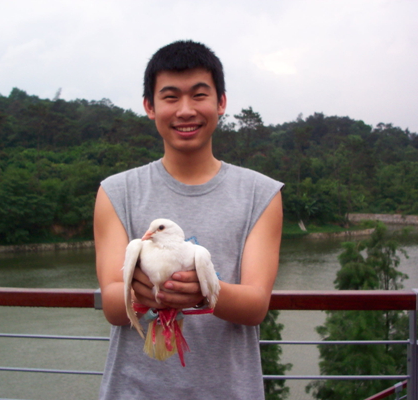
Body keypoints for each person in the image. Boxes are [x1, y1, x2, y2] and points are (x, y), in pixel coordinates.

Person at [94, 40, 284, 400]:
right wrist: (140, 292)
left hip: (228, 391)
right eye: (170, 97)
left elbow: (256, 305)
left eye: (199, 95)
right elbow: (113, 306)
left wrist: (204, 289)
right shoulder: (116, 192)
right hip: (134, 391)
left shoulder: (261, 194)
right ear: (150, 106)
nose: (185, 110)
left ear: (221, 102)